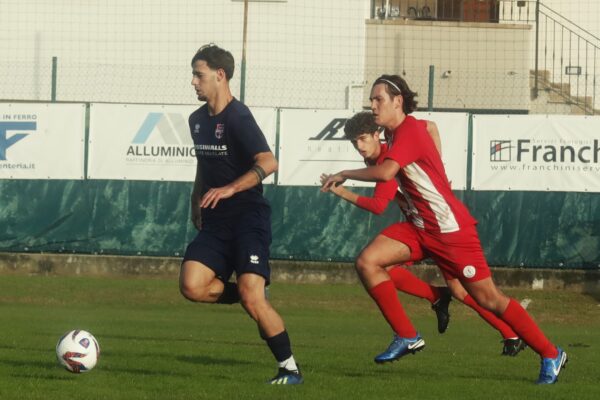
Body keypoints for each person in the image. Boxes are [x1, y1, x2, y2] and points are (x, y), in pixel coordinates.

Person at [321, 75, 567, 384]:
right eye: (371, 100)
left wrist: (344, 174)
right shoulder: (395, 133)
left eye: (378, 99)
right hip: (420, 228)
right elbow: (431, 129)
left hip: (449, 230)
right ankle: (407, 335)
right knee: (368, 262)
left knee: (487, 298)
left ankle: (550, 353)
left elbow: (386, 172)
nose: (372, 105)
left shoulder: (407, 130)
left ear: (398, 102)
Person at [320, 111, 526, 356]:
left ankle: (507, 331)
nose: (359, 146)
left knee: (462, 290)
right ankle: (443, 301)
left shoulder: (388, 158)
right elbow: (431, 126)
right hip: (422, 226)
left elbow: (378, 206)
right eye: (355, 142)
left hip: (436, 228)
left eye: (363, 139)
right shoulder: (375, 159)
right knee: (381, 267)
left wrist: (341, 192)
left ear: (377, 135)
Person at [179, 44, 302, 385]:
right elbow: (204, 166)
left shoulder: (238, 117)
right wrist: (195, 199)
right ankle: (252, 294)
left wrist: (232, 188)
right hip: (216, 221)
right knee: (191, 286)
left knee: (252, 296)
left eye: (199, 75)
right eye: (192, 75)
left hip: (248, 217)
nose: (193, 82)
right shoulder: (197, 120)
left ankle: (289, 367)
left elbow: (268, 161)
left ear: (220, 76)